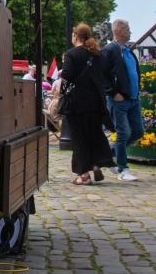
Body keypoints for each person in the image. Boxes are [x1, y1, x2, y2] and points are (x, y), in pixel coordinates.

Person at [61, 24, 115, 184]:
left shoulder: (72, 54)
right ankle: (95, 163)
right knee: (93, 135)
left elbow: (68, 75)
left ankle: (84, 174)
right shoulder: (97, 55)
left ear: (76, 36)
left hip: (77, 103)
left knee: (79, 138)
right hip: (96, 103)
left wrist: (61, 73)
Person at [101, 19, 143, 182]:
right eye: (127, 29)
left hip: (133, 99)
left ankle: (110, 154)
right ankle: (123, 169)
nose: (130, 31)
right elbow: (103, 75)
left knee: (138, 131)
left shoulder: (129, 51)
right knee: (123, 133)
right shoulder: (110, 51)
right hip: (119, 100)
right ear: (119, 31)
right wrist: (113, 93)